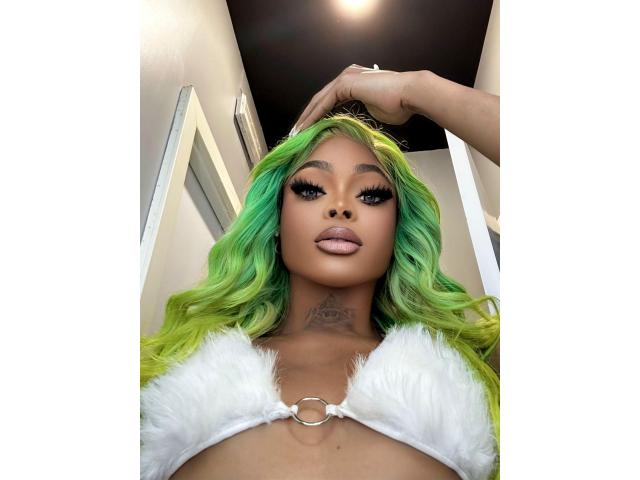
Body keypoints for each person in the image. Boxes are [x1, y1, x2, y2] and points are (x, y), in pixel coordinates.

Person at [140, 65, 500, 480]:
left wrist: (416, 88)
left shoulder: (467, 371)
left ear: (398, 231)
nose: (341, 207)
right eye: (311, 189)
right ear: (275, 222)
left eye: (371, 195)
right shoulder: (177, 373)